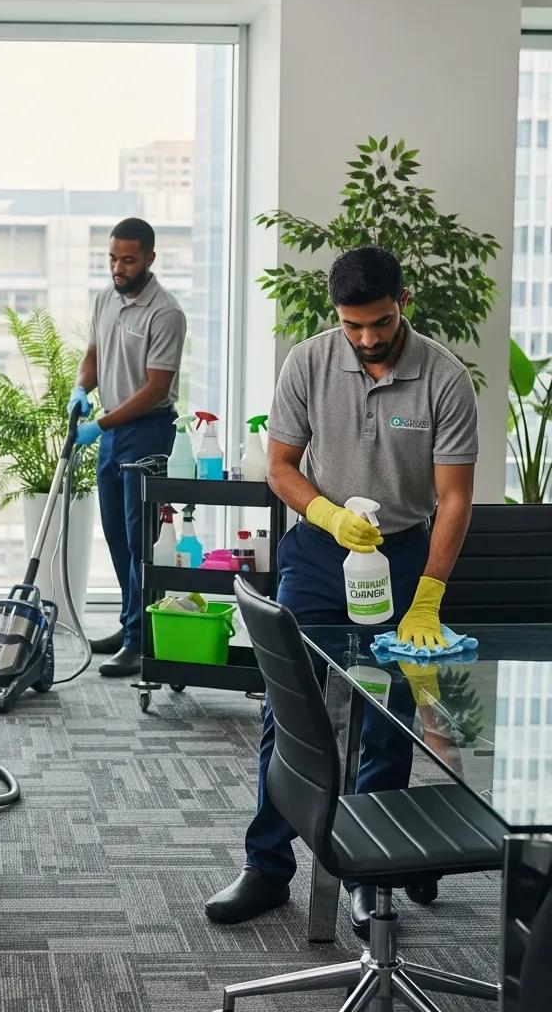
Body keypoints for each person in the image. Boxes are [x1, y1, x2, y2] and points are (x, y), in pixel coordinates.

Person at [204, 246, 477, 940]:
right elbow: (280, 466)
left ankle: (370, 876)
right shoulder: (309, 362)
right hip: (321, 553)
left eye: (379, 322)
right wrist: (325, 514)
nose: (365, 338)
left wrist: (428, 597)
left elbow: (453, 499)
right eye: (352, 324)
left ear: (403, 302)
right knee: (290, 712)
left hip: (405, 553)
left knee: (385, 719)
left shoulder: (444, 378)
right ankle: (266, 865)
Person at [69, 217, 187, 676]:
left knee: (143, 541)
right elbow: (94, 356)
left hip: (148, 431)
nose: (118, 267)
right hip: (113, 430)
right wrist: (82, 388)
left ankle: (142, 640)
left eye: (129, 259)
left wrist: (99, 424)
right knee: (117, 535)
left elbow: (157, 388)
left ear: (150, 259)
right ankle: (130, 624)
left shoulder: (166, 313)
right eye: (113, 258)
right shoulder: (105, 299)